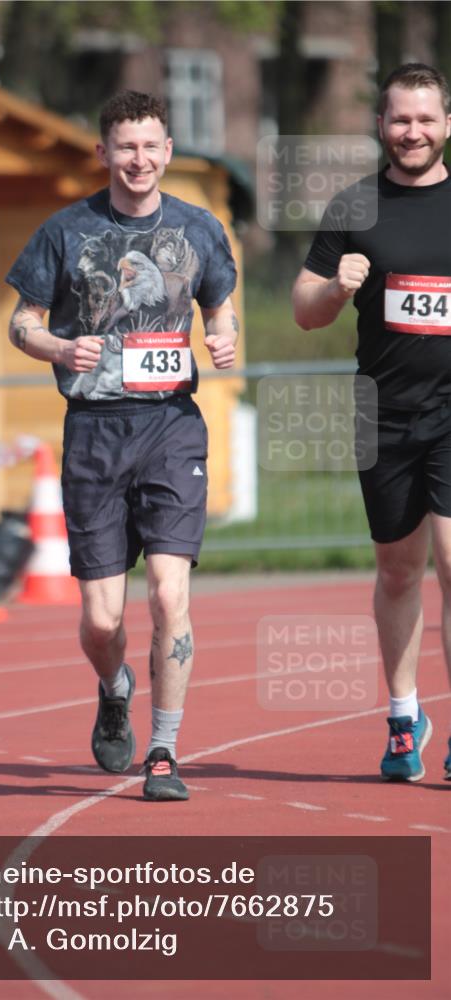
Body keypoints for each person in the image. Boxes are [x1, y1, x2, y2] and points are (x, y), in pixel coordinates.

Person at [6, 91, 238, 800]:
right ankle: (114, 687)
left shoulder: (199, 228)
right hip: (95, 435)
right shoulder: (65, 231)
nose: (138, 160)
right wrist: (55, 345)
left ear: (168, 152)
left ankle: (164, 751)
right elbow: (21, 323)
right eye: (125, 147)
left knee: (170, 597)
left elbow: (218, 302)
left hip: (170, 426)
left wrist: (223, 336)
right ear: (103, 153)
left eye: (151, 146)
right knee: (102, 620)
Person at [292, 64, 451, 781]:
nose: (411, 132)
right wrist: (334, 287)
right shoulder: (354, 206)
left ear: (446, 123)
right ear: (380, 125)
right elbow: (303, 309)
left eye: (424, 118)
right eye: (398, 119)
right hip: (379, 412)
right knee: (397, 571)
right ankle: (401, 717)